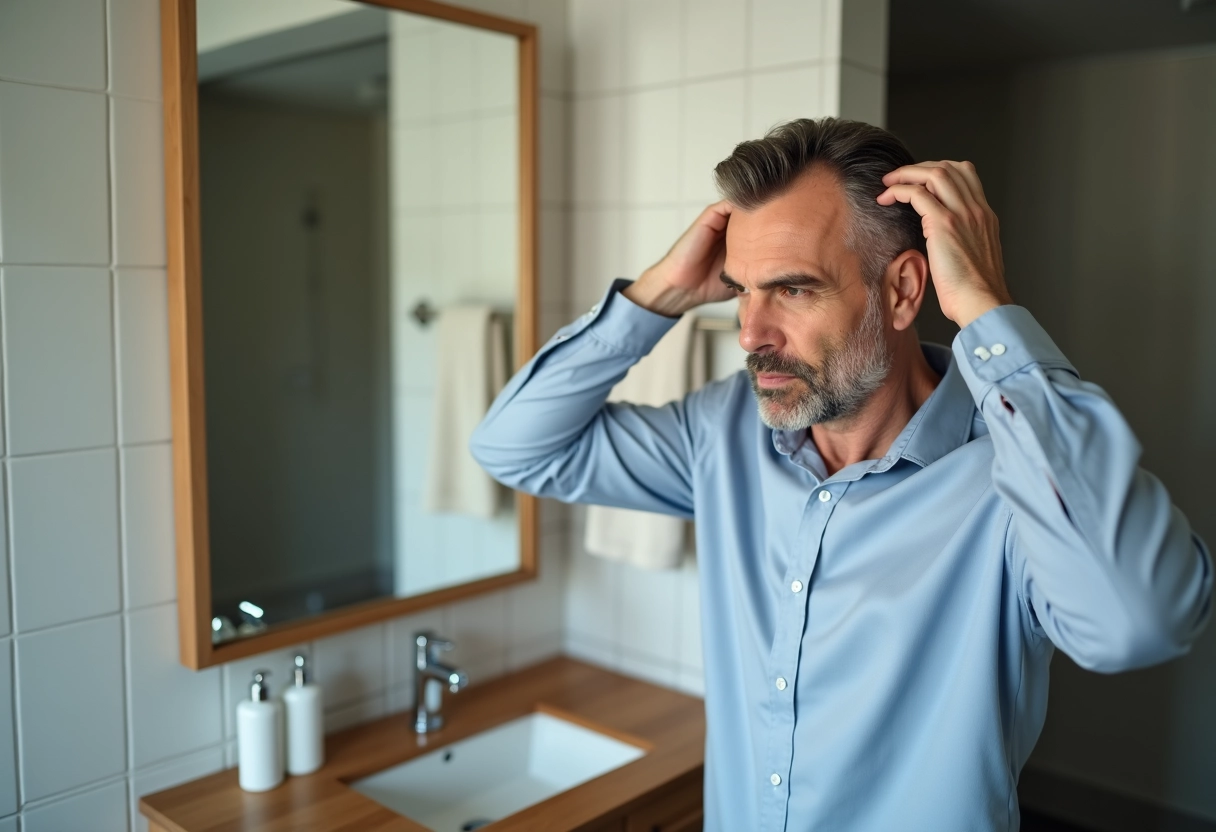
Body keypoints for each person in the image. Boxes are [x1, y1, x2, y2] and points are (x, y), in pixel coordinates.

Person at [468, 117, 1213, 832]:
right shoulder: (721, 433)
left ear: (903, 290)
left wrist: (987, 310)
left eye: (792, 289)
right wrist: (658, 294)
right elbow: (515, 448)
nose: (751, 334)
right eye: (741, 289)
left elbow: (1140, 621)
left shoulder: (1016, 471)